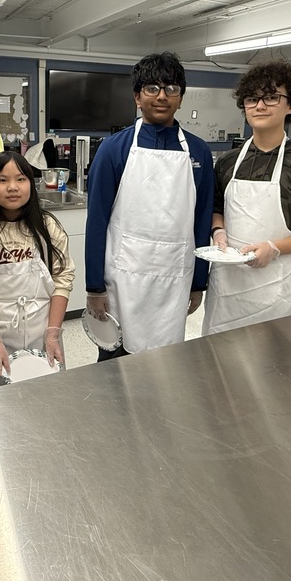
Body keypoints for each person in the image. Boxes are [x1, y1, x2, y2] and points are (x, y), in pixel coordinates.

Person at [85, 52, 215, 358]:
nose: (161, 97)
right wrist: (94, 287)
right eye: (151, 89)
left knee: (165, 363)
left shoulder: (198, 152)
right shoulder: (113, 150)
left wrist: (199, 282)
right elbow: (97, 221)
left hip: (173, 280)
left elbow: (202, 219)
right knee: (114, 365)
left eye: (171, 89)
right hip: (122, 279)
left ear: (181, 98)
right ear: (137, 97)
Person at [203, 61, 291, 335]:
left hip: (278, 286)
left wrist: (275, 248)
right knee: (220, 362)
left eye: (271, 97)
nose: (260, 106)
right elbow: (217, 207)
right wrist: (218, 230)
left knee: (274, 364)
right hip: (228, 287)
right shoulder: (229, 161)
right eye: (252, 99)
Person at [0, 152, 74, 386]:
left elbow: (63, 278)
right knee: (1, 398)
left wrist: (53, 332)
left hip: (43, 326)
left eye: (21, 179)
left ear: (31, 185)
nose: (12, 187)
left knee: (48, 392)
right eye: (2, 180)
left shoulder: (47, 226)